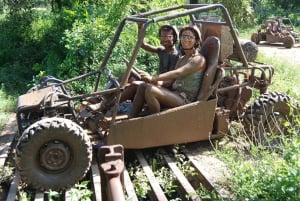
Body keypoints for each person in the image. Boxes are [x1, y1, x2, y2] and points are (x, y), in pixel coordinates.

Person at [129, 25, 206, 118]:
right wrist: (155, 81)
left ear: (196, 40)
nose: (186, 39)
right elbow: (171, 80)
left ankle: (154, 121)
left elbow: (179, 72)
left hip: (185, 99)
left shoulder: (198, 59)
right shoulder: (182, 59)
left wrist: (153, 78)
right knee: (143, 86)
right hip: (174, 93)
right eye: (184, 36)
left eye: (190, 37)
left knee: (150, 90)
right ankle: (130, 119)